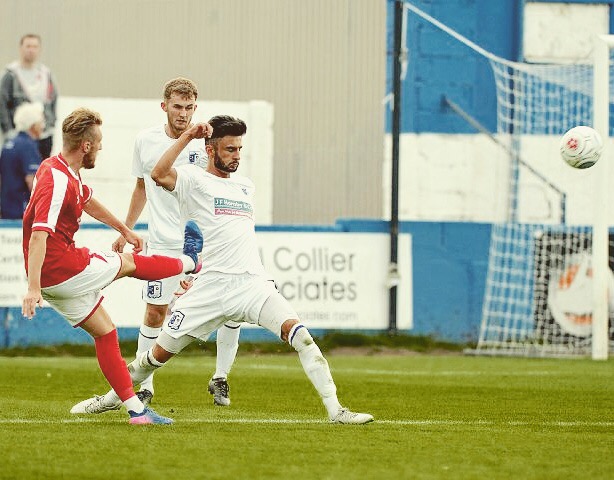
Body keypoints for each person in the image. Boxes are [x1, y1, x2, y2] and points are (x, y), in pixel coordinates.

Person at [72, 115, 374, 424]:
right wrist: (188, 135)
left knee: (302, 337)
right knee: (155, 358)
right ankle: (111, 399)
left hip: (252, 285)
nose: (236, 156)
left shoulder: (245, 187)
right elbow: (158, 174)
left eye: (239, 149)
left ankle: (337, 411)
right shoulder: (192, 180)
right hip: (209, 289)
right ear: (210, 150)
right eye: (230, 149)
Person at [22, 107, 204, 425]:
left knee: (106, 332)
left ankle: (137, 411)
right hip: (62, 268)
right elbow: (39, 235)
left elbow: (87, 201)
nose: (102, 147)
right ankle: (190, 261)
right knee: (130, 263)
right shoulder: (57, 181)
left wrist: (124, 229)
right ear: (86, 146)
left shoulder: (58, 169)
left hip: (53, 279)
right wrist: (32, 289)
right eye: (99, 142)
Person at [109, 77, 241, 407]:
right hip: (164, 243)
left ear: (196, 108)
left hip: (206, 243)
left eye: (189, 107)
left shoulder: (206, 141)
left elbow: (223, 182)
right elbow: (142, 187)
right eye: (178, 106)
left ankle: (220, 377)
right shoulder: (145, 140)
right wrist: (126, 230)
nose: (183, 113)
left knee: (232, 307)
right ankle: (144, 384)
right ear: (164, 106)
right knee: (155, 312)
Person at [0, 34, 58, 159]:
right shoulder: (11, 74)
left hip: (43, 136)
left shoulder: (46, 74)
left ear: (39, 49)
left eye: (35, 46)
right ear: (21, 48)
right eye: (28, 46)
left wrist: (51, 125)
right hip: (18, 135)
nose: (31, 50)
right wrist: (8, 131)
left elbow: (53, 101)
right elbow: (2, 103)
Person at [0, 102, 44, 219]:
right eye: (40, 123)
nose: (42, 126)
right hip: (21, 210)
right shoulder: (28, 146)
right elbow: (32, 181)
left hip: (5, 209)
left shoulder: (8, 144)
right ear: (33, 125)